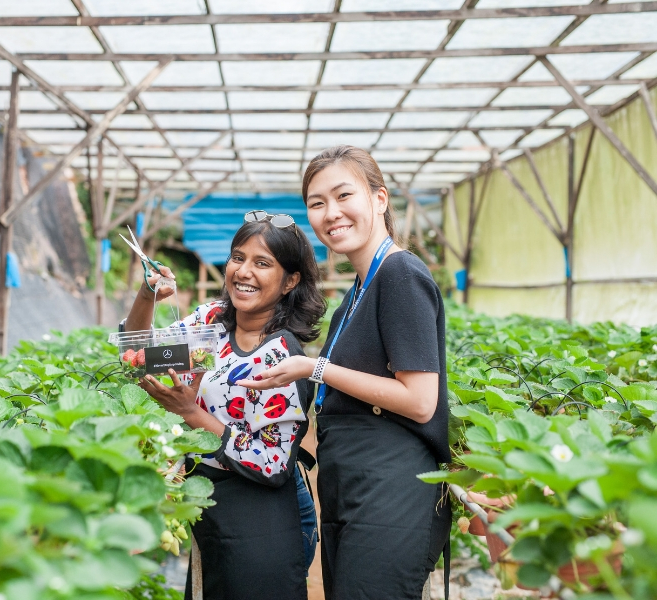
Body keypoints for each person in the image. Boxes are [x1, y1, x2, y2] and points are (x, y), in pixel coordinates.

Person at [238, 146, 451, 599]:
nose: (330, 213)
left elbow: (420, 401)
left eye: (343, 195)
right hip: (353, 486)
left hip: (391, 491)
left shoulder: (400, 274)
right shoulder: (357, 293)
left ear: (379, 198)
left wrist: (316, 368)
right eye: (317, 203)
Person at [121, 215, 326, 600]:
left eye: (262, 263)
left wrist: (192, 414)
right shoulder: (212, 320)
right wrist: (147, 295)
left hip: (262, 518)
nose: (243, 272)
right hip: (211, 501)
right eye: (237, 257)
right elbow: (139, 356)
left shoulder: (281, 355)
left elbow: (273, 463)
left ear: (290, 280)